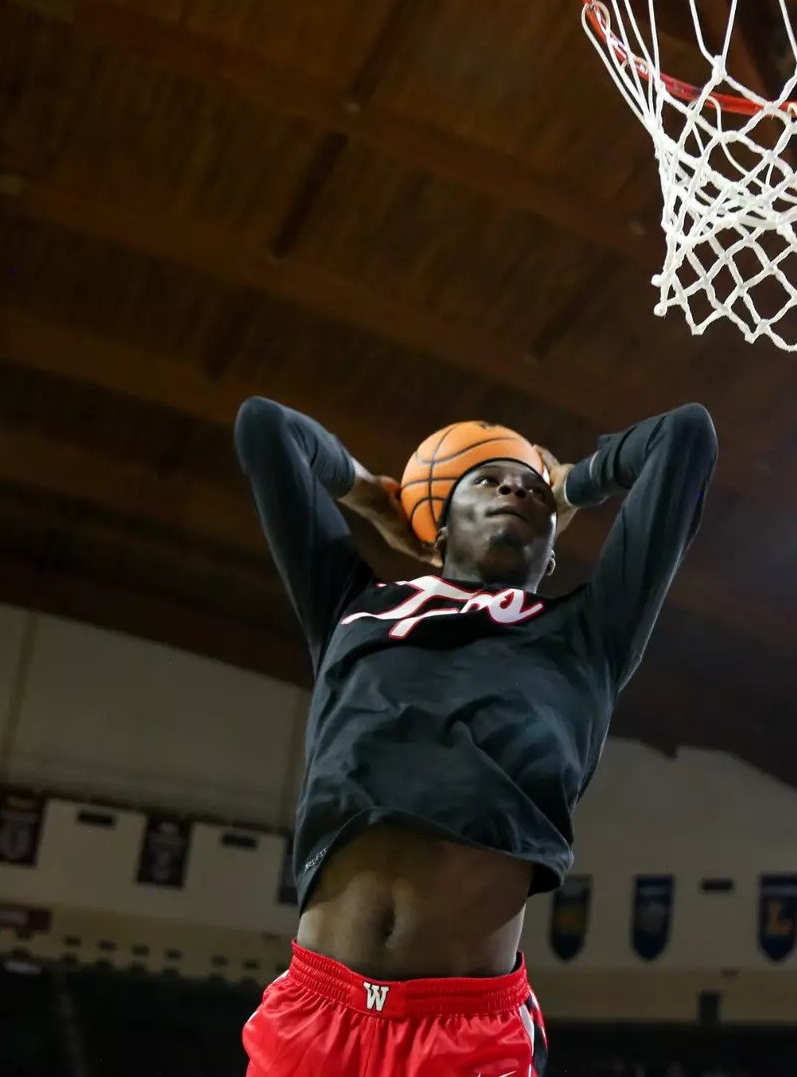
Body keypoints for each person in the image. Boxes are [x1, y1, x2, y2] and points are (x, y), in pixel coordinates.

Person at [233, 395, 717, 1076]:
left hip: (463, 1036)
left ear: (552, 546)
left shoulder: (587, 634)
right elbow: (265, 427)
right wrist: (374, 498)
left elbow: (685, 435)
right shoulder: (352, 606)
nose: (515, 487)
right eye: (486, 480)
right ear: (435, 524)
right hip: (315, 1015)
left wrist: (573, 482)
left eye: (530, 490)